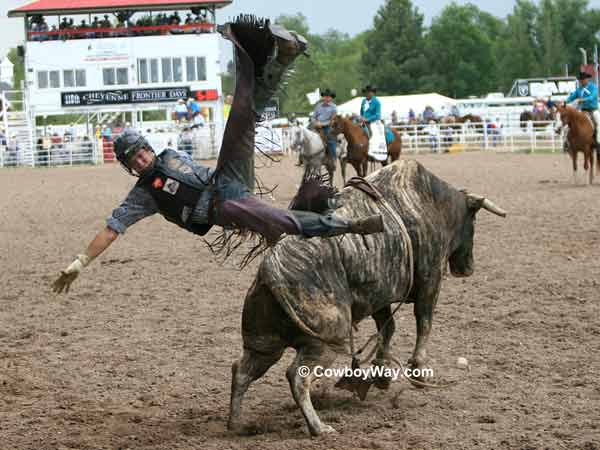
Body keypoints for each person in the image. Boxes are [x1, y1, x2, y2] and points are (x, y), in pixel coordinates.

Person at [51, 17, 384, 294]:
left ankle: (283, 56)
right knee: (280, 220)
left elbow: (198, 173)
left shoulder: (169, 155)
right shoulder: (142, 196)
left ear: (148, 149)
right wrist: (80, 262)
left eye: (140, 153)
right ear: (129, 168)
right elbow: (111, 230)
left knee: (241, 115)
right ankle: (349, 226)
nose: (139, 160)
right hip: (221, 207)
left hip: (226, 178)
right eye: (133, 160)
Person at [566, 71, 600, 147]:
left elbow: (592, 97)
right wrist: (565, 101)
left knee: (599, 122)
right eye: (580, 80)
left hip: (593, 110)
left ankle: (598, 142)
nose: (581, 81)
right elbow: (572, 97)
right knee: (571, 122)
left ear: (587, 79)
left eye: (583, 79)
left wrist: (582, 100)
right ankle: (568, 142)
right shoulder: (579, 89)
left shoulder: (593, 87)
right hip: (583, 110)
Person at [310, 88, 338, 159]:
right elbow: (313, 117)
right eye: (325, 96)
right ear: (323, 97)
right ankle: (302, 157)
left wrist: (322, 124)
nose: (326, 98)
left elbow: (332, 119)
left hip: (327, 127)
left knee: (330, 140)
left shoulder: (334, 107)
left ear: (331, 98)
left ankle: (334, 158)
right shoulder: (318, 106)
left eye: (328, 97)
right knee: (306, 137)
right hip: (316, 125)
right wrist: (315, 122)